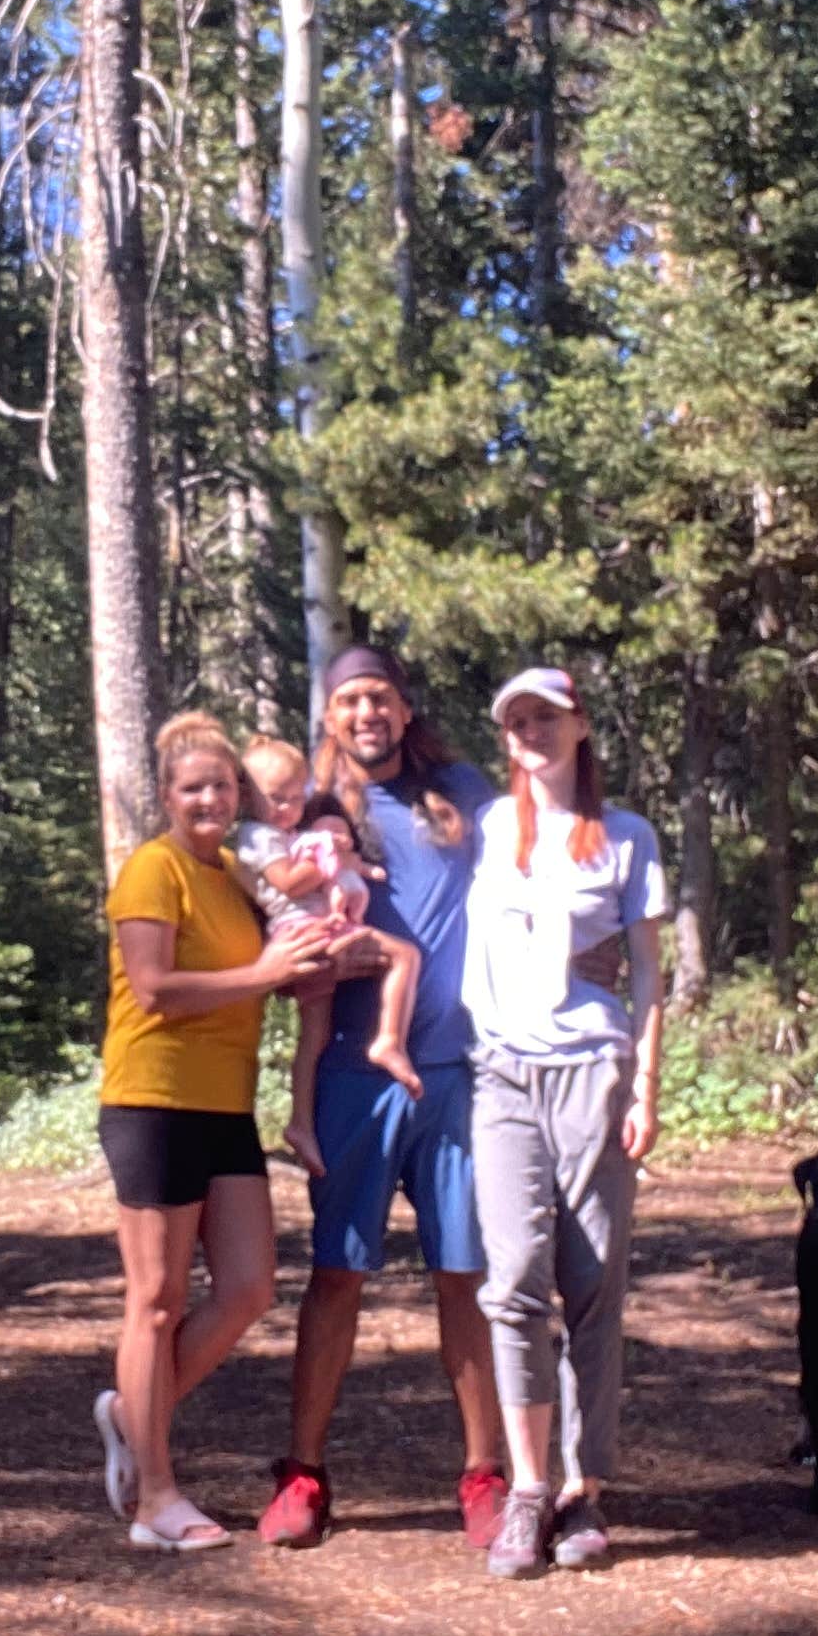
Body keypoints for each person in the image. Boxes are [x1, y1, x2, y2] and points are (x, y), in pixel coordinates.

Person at [257, 647, 510, 1553]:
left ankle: (486, 1476)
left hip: (459, 1073)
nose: (365, 714)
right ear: (329, 719)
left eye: (380, 699)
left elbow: (533, 879)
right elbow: (275, 930)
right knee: (337, 1273)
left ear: (405, 711)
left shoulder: (461, 798)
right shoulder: (316, 815)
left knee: (465, 1273)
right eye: (348, 701)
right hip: (352, 1082)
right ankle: (303, 1474)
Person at [89, 711, 338, 1551]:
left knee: (248, 1288)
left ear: (240, 795)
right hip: (152, 1101)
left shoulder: (237, 872)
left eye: (223, 786)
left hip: (225, 1106)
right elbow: (155, 988)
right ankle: (155, 1499)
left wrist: (324, 960)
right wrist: (264, 973)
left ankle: (132, 1414)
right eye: (193, 788)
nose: (210, 799)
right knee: (155, 1302)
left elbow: (283, 951)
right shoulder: (151, 872)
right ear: (166, 796)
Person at [462, 664, 670, 1580]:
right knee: (511, 1281)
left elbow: (650, 974)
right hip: (503, 1075)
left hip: (594, 1074)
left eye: (548, 718)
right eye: (517, 722)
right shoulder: (494, 828)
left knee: (590, 1284)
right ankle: (527, 1489)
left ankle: (585, 1490)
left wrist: (648, 1083)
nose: (532, 734)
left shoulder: (626, 839)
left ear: (581, 727)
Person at [230, 740, 424, 1171]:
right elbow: (289, 883)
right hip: (305, 931)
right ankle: (388, 1040)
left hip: (309, 931)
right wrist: (331, 856)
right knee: (405, 955)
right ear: (248, 796)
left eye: (297, 797)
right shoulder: (256, 835)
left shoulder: (280, 833)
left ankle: (299, 1122)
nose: (290, 807)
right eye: (277, 798)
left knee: (313, 1038)